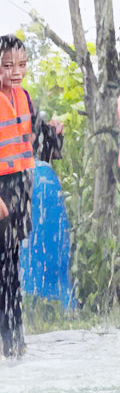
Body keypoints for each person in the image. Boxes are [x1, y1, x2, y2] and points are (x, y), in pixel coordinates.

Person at [0, 35, 62, 358]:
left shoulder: (23, 97)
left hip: (19, 194)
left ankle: (15, 345)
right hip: (0, 195)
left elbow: (36, 144)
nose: (15, 72)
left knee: (11, 269)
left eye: (21, 65)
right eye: (7, 65)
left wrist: (54, 134)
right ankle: (11, 345)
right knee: (3, 272)